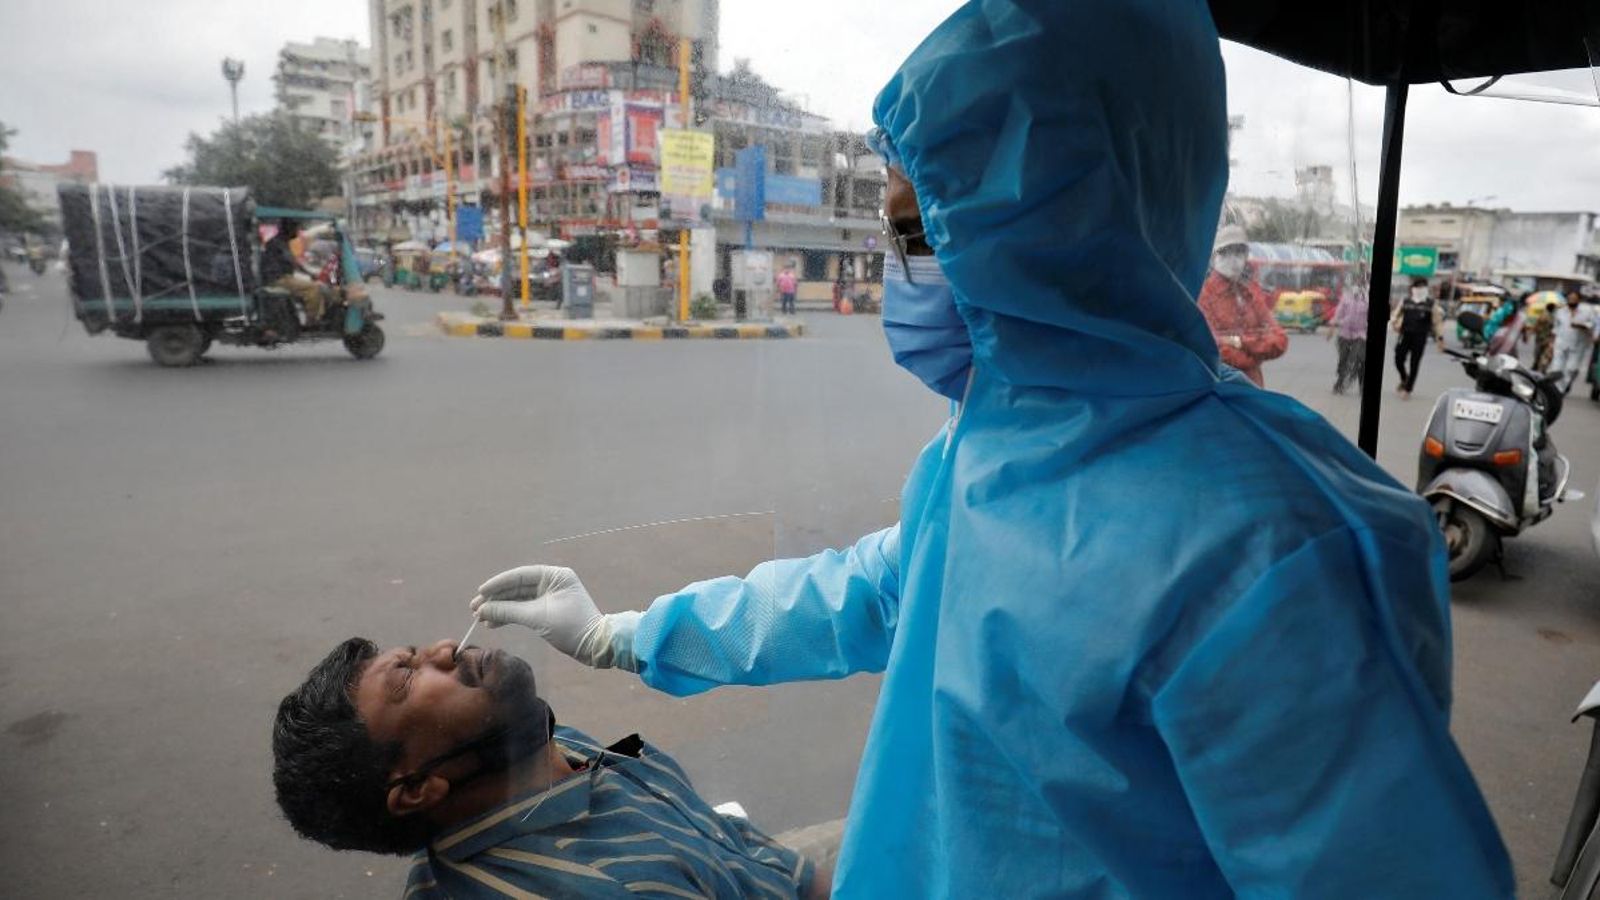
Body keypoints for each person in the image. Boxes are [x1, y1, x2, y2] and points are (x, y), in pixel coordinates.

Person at [466, 2, 1511, 896]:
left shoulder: (1273, 548)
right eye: (894, 235)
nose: (899, 276)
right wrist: (627, 635)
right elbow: (866, 593)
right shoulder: (989, 448)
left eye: (924, 236)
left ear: (1072, 227)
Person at [273, 638, 828, 899]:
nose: (445, 648)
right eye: (409, 679)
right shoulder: (607, 889)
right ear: (418, 787)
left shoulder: (542, 753)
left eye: (415, 653)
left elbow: (714, 830)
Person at [1195, 224, 1287, 387]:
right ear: (1215, 257)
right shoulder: (1204, 295)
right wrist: (1255, 356)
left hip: (1254, 388)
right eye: (1225, 252)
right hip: (1222, 389)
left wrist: (1238, 342)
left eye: (1239, 252)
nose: (1233, 259)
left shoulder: (1250, 293)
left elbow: (1280, 339)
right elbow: (1212, 348)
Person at [261, 220, 327, 326]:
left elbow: (293, 263)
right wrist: (310, 274)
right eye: (296, 229)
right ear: (289, 230)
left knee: (314, 286)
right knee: (313, 288)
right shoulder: (277, 244)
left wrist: (310, 274)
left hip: (283, 277)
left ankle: (316, 316)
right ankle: (312, 320)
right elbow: (293, 262)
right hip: (278, 279)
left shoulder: (281, 243)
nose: (297, 232)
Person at [1391, 276, 1444, 398]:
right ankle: (1405, 378)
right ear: (1413, 289)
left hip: (1420, 337)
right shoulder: (1406, 301)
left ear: (1426, 289)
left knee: (1414, 363)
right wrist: (1394, 322)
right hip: (1404, 335)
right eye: (1417, 287)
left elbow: (1437, 322)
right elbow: (1395, 314)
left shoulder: (1431, 304)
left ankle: (1408, 389)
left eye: (1422, 287)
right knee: (1398, 359)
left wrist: (1440, 338)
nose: (1419, 289)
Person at [1328, 273, 1368, 394]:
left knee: (1358, 358)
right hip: (1344, 333)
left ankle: (1362, 384)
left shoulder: (1367, 299)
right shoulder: (1346, 297)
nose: (1357, 286)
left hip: (1361, 334)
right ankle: (1340, 382)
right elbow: (1339, 312)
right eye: (1355, 283)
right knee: (1343, 359)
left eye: (1360, 284)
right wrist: (1332, 326)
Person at [1551, 289, 1597, 393]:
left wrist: (1582, 326)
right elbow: (1556, 327)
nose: (1572, 301)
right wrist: (1551, 342)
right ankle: (1558, 389)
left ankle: (1564, 385)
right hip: (1561, 343)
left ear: (1579, 300)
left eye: (1574, 299)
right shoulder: (1561, 311)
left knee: (1571, 368)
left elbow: (1593, 324)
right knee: (1556, 367)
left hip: (1578, 345)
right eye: (1570, 299)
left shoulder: (1587, 311)